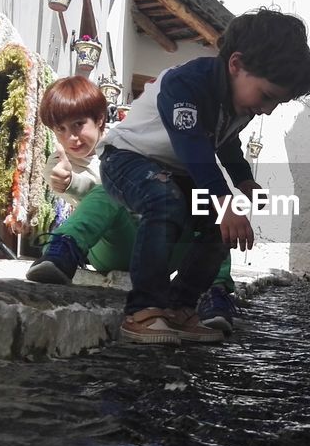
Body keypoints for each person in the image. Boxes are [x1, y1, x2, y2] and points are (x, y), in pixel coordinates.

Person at [98, 8, 310, 345]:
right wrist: (225, 199)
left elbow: (226, 144)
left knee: (218, 224)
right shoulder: (186, 84)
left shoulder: (239, 104)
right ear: (236, 64)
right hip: (127, 160)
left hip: (175, 174)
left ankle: (180, 306)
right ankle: (143, 309)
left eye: (277, 103)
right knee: (166, 199)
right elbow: (194, 148)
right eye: (268, 96)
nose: (268, 110)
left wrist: (243, 180)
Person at [25, 76, 240, 331]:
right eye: (60, 130)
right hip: (114, 245)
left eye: (78, 124)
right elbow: (84, 189)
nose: (70, 137)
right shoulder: (61, 162)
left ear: (100, 120)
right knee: (108, 192)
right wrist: (69, 181)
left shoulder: (128, 144)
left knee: (216, 213)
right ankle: (63, 250)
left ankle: (215, 292)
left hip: (159, 245)